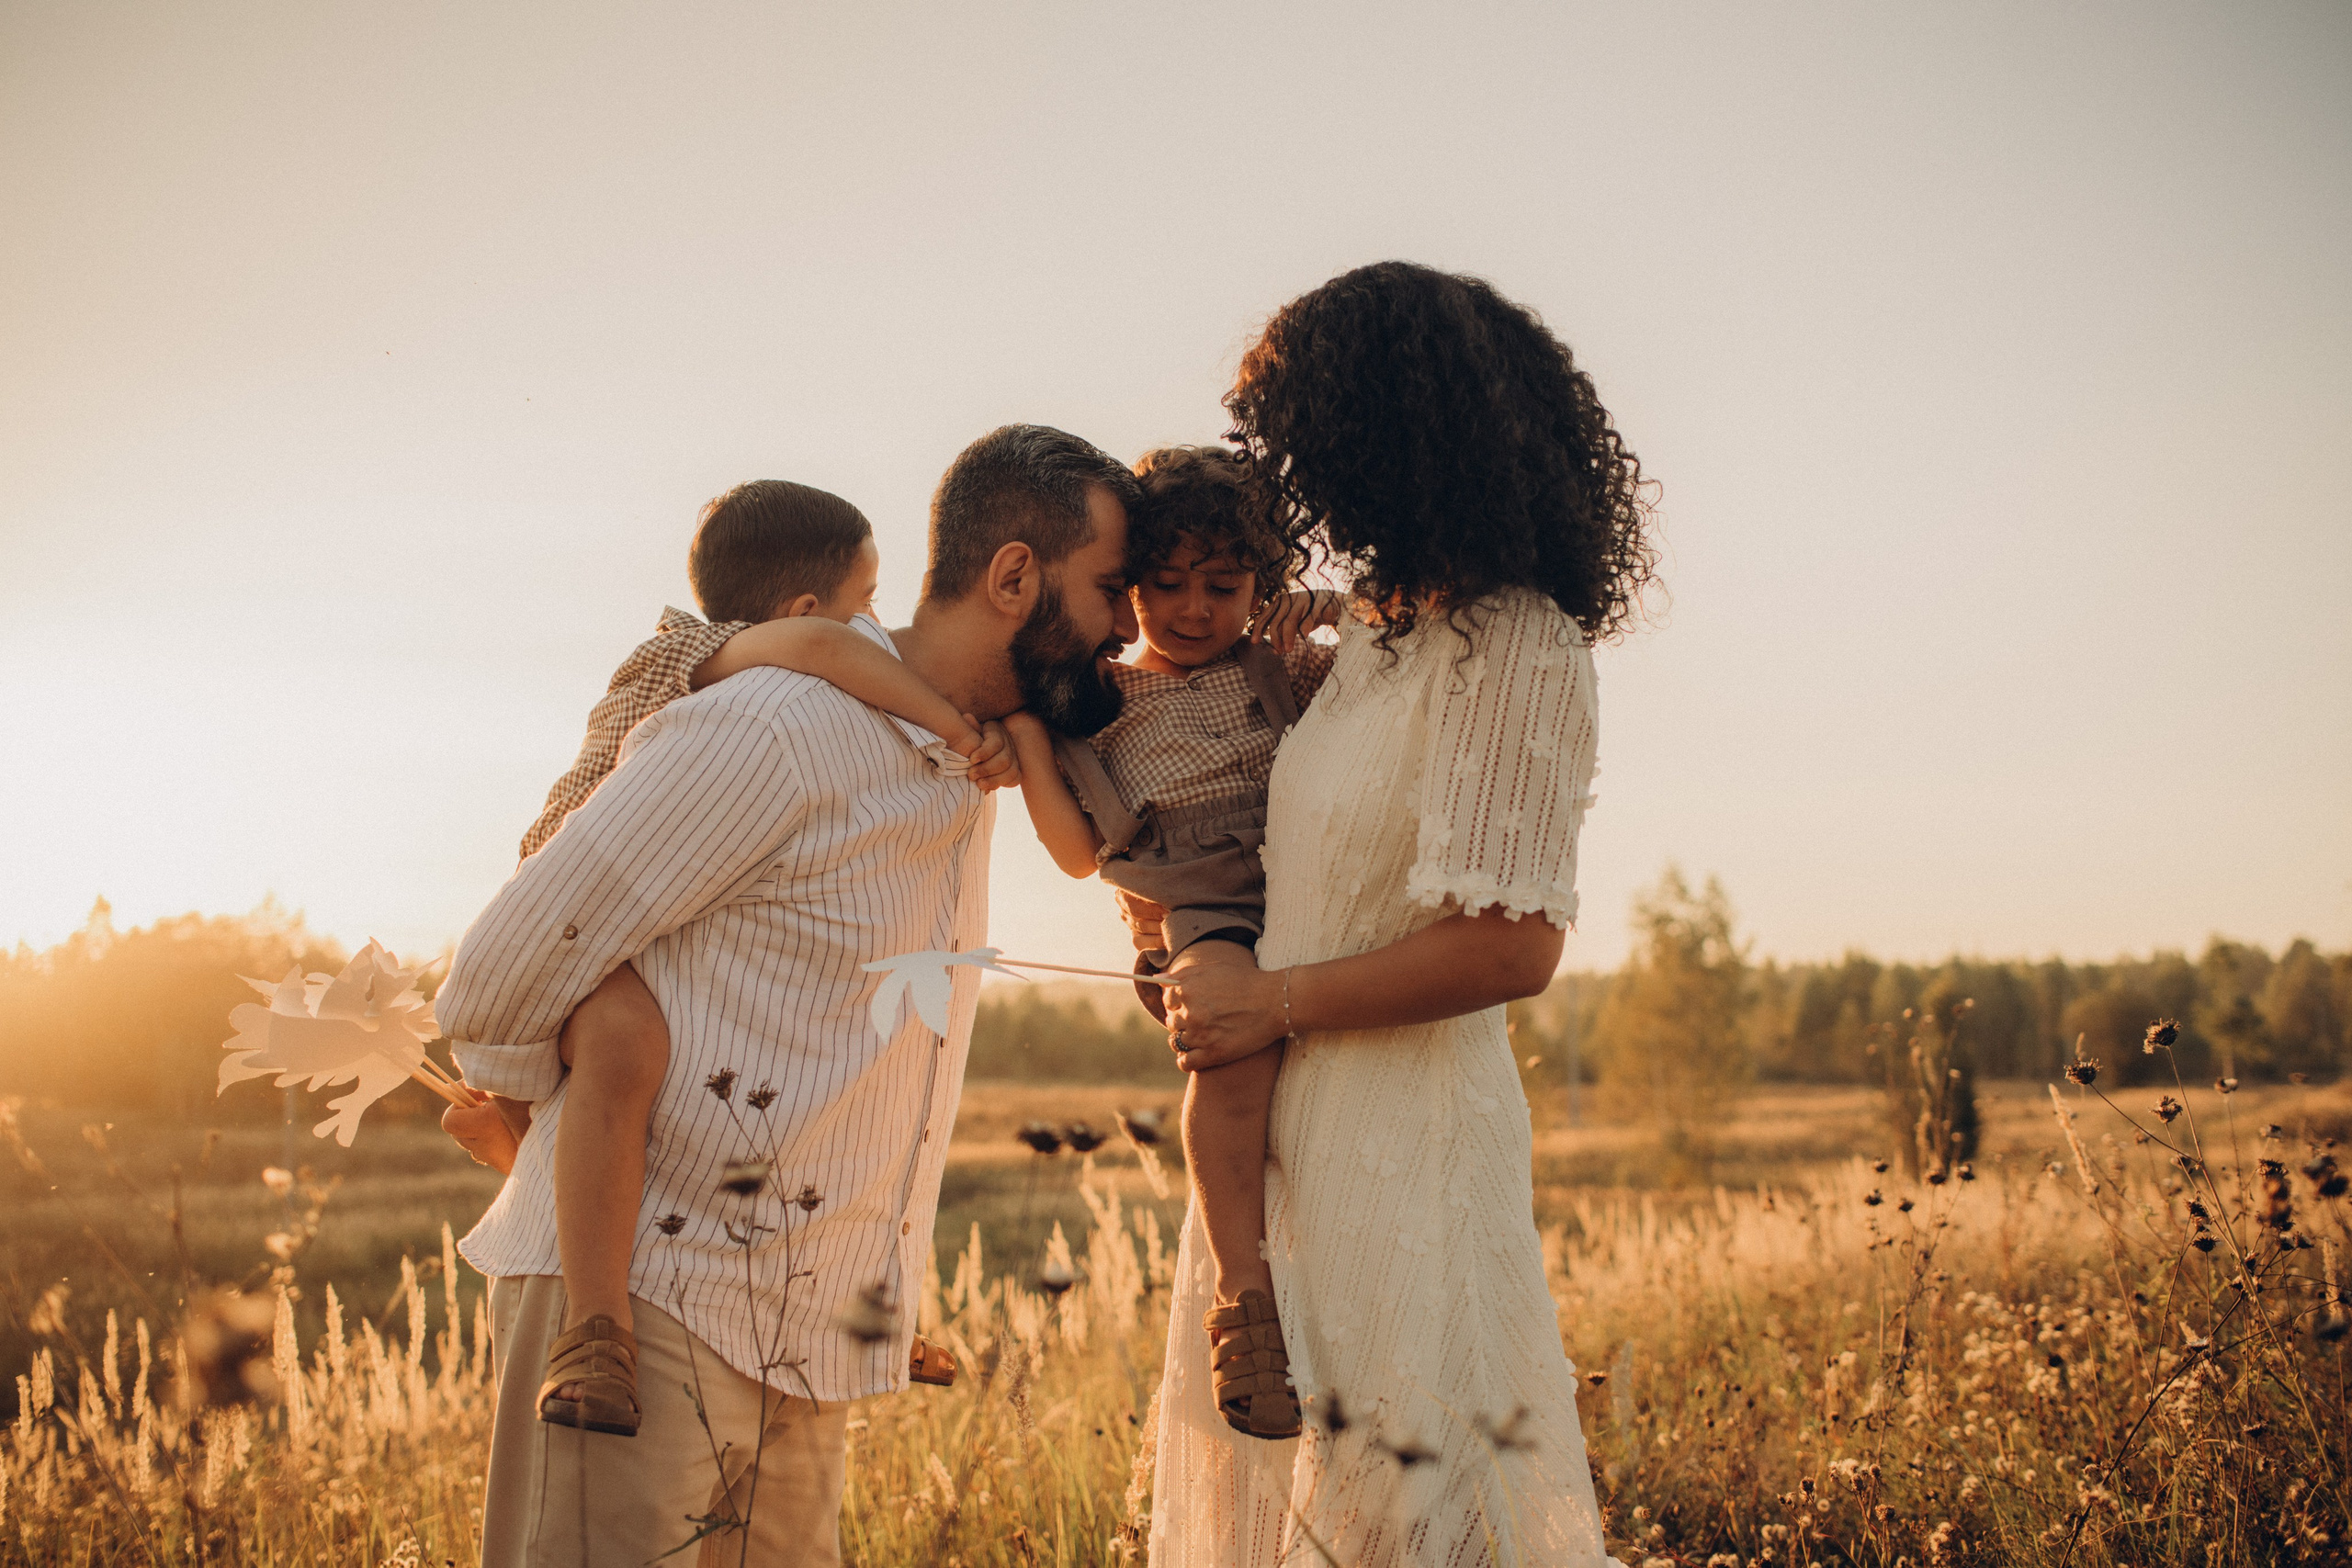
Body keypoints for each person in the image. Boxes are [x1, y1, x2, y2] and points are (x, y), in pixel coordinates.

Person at [435, 424, 1140, 1568]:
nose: (1128, 630)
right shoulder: (783, 722)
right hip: (646, 1313)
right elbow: (497, 973)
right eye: (1111, 591)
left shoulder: (970, 768)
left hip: (804, 1337)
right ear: (1015, 576)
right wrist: (539, 1126)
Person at [1143, 262, 1657, 1566]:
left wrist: (1276, 997)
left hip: (1408, 1139)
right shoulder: (1373, 636)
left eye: (1307, 438)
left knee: (1408, 1506)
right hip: (1287, 1141)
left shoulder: (1521, 641)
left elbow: (1510, 943)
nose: (1293, 475)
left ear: (1387, 435)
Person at [439, 479, 1015, 1439]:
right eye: (866, 599)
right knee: (621, 1058)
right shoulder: (732, 660)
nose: (875, 625)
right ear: (799, 609)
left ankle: (835, 1295)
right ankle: (595, 1323)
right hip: (584, 903)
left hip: (636, 907)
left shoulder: (744, 654)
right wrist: (954, 729)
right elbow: (832, 650)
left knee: (617, 1090)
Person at [997, 445, 1340, 1438]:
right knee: (1226, 1050)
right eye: (1167, 586)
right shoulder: (1094, 703)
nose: (1195, 611)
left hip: (1317, 880)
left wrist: (1328, 614)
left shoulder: (1286, 667)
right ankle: (1245, 1305)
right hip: (1203, 910)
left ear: (1263, 584)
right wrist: (1025, 744)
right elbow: (1075, 855)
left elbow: (1402, 654)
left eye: (1224, 587)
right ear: (1128, 588)